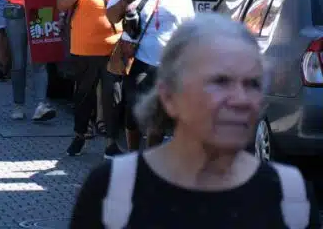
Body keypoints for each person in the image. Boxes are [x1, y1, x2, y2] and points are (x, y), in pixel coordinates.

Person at [70, 15, 318, 229]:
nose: (241, 99)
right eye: (219, 81)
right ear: (169, 96)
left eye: (252, 83)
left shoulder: (290, 196)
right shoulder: (112, 191)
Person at [107, 0, 195, 151]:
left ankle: (150, 162)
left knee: (159, 116)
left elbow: (188, 24)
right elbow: (110, 17)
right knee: (134, 113)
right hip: (137, 57)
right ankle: (134, 157)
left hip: (168, 61)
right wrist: (124, 5)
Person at [58, 0, 131, 157]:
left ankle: (111, 142)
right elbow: (61, 4)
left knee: (113, 95)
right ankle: (80, 135)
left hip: (114, 47)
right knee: (84, 95)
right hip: (84, 46)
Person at [0, 0, 60, 121]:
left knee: (40, 60)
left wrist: (57, 14)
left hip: (41, 11)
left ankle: (41, 104)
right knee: (18, 61)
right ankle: (18, 104)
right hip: (16, 10)